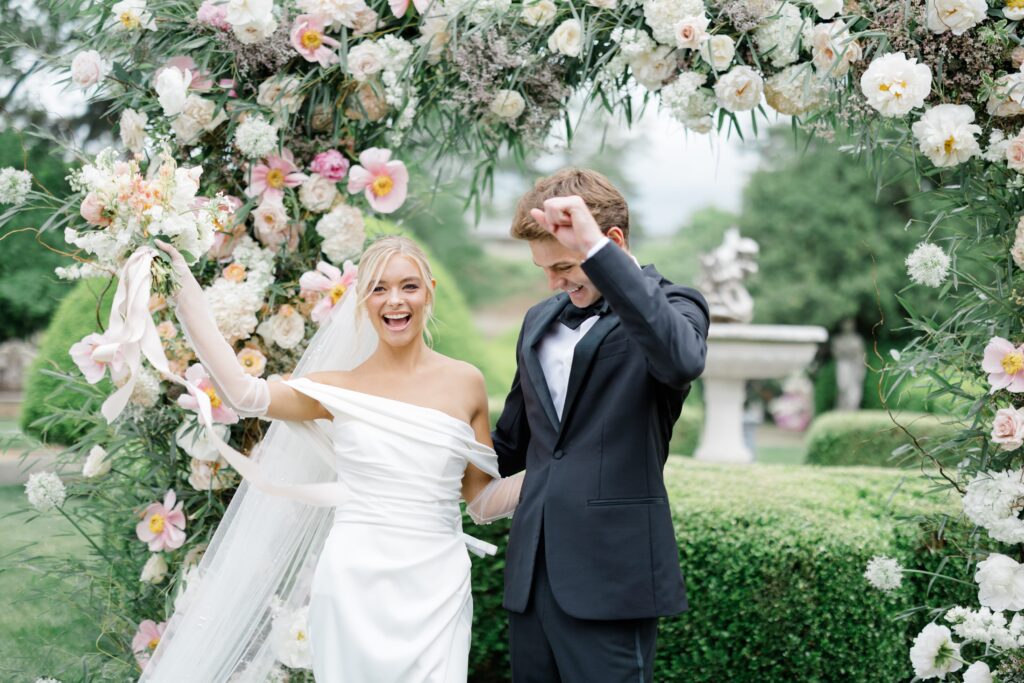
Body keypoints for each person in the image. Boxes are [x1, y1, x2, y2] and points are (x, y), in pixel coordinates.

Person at [143, 236, 522, 682]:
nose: (395, 301)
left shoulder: (466, 382)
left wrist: (557, 473)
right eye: (378, 288)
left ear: (430, 290)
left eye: (408, 286)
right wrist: (184, 293)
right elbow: (245, 394)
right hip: (354, 581)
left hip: (438, 584)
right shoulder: (335, 388)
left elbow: (479, 501)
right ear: (361, 300)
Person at [492, 169, 710, 682]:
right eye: (544, 269)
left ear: (610, 243)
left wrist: (593, 251)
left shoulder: (677, 305)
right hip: (532, 578)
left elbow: (680, 360)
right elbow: (509, 443)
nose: (554, 283)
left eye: (565, 265)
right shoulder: (540, 319)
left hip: (612, 578)